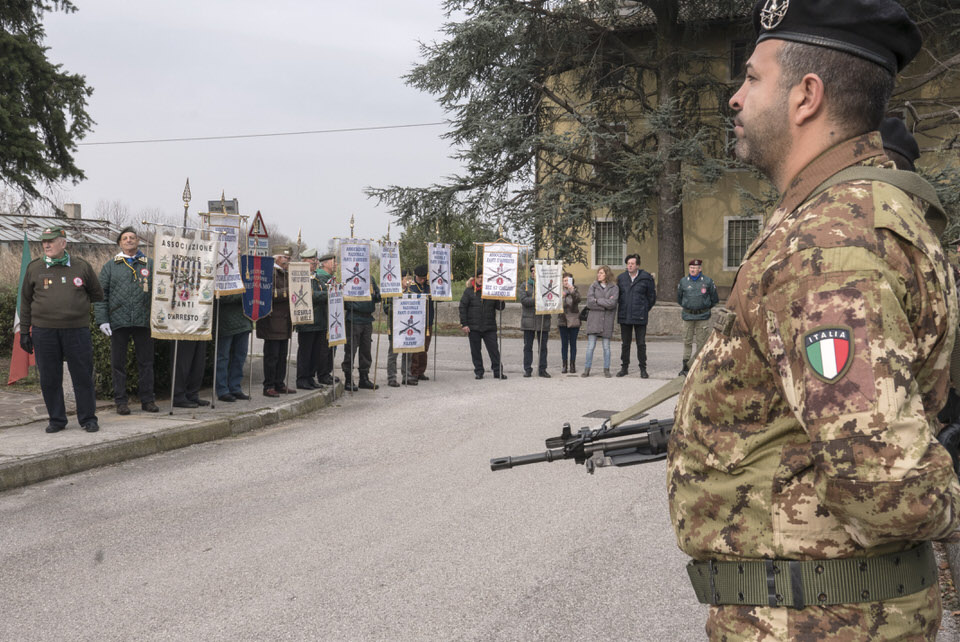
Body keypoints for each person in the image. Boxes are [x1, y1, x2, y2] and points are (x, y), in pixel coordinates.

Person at [669, 2, 960, 639]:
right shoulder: (861, 210)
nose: (734, 97)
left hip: (816, 620)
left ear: (806, 96)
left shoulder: (827, 246)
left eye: (751, 77)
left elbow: (885, 481)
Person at [20, 225, 104, 433]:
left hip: (76, 330)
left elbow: (97, 294)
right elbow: (25, 301)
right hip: (44, 331)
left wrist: (76, 307)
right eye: (44, 242)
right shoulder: (34, 268)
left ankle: (88, 419)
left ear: (63, 243)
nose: (46, 245)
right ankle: (57, 419)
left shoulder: (81, 266)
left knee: (82, 376)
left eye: (51, 241)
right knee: (49, 377)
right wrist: (23, 331)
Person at [94, 226, 159, 415]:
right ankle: (121, 401)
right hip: (118, 322)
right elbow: (101, 295)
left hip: (143, 321)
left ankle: (148, 400)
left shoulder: (149, 264)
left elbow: (160, 290)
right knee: (118, 364)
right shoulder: (110, 266)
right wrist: (102, 320)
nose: (129, 240)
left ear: (138, 241)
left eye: (132, 237)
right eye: (125, 238)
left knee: (146, 363)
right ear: (120, 243)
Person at [257, 248, 295, 397]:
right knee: (272, 357)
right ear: (276, 258)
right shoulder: (269, 272)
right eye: (285, 257)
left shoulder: (286, 273)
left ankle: (279, 383)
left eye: (289, 257)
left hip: (284, 322)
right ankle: (269, 386)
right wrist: (289, 290)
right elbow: (268, 293)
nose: (288, 260)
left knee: (282, 356)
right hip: (272, 321)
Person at [459, 269, 506, 380]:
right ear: (474, 278)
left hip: (489, 326)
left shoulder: (492, 291)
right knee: (475, 351)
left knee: (494, 350)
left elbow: (500, 307)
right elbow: (462, 307)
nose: (480, 279)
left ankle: (498, 371)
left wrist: (501, 300)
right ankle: (479, 371)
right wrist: (464, 324)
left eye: (483, 277)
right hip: (473, 327)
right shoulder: (469, 291)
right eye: (478, 277)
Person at [675, 259, 719, 376]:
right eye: (691, 268)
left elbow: (714, 299)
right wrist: (689, 307)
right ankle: (685, 367)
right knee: (687, 342)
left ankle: (699, 367)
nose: (693, 270)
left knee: (701, 343)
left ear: (700, 269)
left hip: (703, 316)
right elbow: (679, 298)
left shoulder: (708, 281)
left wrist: (704, 307)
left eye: (695, 268)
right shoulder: (683, 282)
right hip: (688, 316)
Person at [615, 253, 656, 378]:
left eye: (632, 264)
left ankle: (643, 368)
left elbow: (651, 297)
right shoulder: (621, 278)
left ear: (637, 265)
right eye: (628, 264)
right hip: (625, 316)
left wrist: (644, 308)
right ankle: (624, 367)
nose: (630, 266)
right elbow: (618, 296)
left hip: (640, 316)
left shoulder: (646, 278)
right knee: (625, 344)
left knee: (641, 344)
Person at [342, 279, 381, 391]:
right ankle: (348, 379)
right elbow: (344, 299)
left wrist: (377, 295)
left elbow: (377, 296)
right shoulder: (349, 277)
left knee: (366, 350)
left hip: (367, 318)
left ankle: (364, 378)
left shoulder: (370, 279)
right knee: (351, 350)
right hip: (354, 318)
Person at [295, 248, 325, 390]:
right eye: (312, 261)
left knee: (315, 353)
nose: (315, 263)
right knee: (305, 353)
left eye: (315, 261)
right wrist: (326, 295)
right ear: (304, 261)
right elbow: (310, 296)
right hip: (306, 321)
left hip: (319, 321)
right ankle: (302, 378)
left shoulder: (316, 278)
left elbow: (322, 291)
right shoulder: (300, 277)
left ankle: (310, 377)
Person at [580, 266, 618, 378]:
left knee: (606, 347)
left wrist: (598, 301)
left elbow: (613, 304)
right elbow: (590, 303)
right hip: (594, 320)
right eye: (598, 273)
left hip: (607, 321)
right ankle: (587, 369)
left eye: (601, 273)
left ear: (606, 274)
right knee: (590, 346)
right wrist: (605, 304)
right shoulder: (593, 286)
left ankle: (606, 369)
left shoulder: (614, 287)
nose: (599, 275)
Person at [214, 292, 252, 402]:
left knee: (240, 357)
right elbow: (221, 296)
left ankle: (235, 387)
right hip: (226, 321)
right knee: (223, 357)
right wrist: (244, 295)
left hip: (244, 321)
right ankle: (222, 390)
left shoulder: (246, 275)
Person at [519, 264, 552, 377]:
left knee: (543, 347)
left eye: (535, 271)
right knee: (528, 347)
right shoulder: (525, 285)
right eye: (532, 271)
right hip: (529, 321)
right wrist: (537, 299)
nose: (534, 272)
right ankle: (528, 369)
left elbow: (550, 300)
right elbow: (524, 300)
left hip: (543, 320)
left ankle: (542, 369)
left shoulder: (546, 285)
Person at [385, 270, 415, 387]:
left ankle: (407, 375)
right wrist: (399, 306)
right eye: (407, 279)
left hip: (408, 326)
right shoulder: (392, 292)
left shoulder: (411, 292)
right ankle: (391, 377)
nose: (409, 281)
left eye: (410, 279)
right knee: (393, 353)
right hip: (395, 327)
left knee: (408, 353)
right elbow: (387, 308)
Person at [314, 252, 338, 386]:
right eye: (333, 262)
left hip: (332, 317)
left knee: (331, 347)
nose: (335, 264)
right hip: (324, 317)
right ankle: (323, 374)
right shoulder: (321, 277)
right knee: (324, 348)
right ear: (325, 263)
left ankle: (327, 372)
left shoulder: (330, 277)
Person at [408, 264, 434, 382]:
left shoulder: (430, 286)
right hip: (415, 321)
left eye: (425, 278)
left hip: (428, 320)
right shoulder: (410, 287)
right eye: (421, 278)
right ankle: (413, 372)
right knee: (415, 348)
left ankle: (421, 371)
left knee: (424, 348)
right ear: (416, 276)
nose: (423, 280)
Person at [557, 272, 581, 374]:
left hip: (574, 320)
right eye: (564, 280)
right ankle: (564, 364)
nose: (566, 282)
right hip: (562, 320)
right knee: (564, 343)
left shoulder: (575, 291)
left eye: (567, 280)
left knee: (573, 343)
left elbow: (578, 300)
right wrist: (560, 297)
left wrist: (571, 291)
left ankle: (572, 364)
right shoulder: (559, 291)